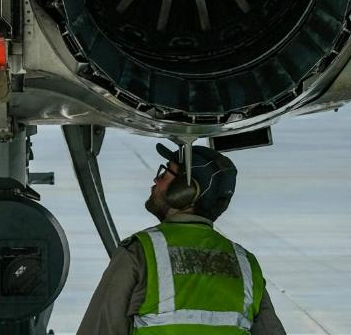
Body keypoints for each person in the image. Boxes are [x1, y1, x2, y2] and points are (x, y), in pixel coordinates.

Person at [78, 143, 286, 335]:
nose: (156, 180)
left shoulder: (140, 253)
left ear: (185, 190)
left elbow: (99, 329)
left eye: (165, 173)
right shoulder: (245, 264)